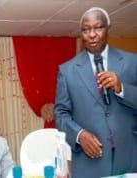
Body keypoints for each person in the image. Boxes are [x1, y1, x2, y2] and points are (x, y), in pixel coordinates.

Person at [54, 7, 137, 178]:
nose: (92, 35)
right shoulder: (67, 70)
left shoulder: (132, 61)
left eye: (98, 28)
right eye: (86, 29)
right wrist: (79, 135)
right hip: (89, 161)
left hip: (129, 158)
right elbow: (60, 113)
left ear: (108, 28)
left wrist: (123, 89)